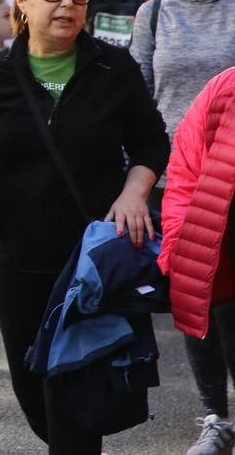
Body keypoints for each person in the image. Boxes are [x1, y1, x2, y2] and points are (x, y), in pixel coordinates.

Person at [0, 0, 168, 453]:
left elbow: (152, 141)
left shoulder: (113, 67)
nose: (67, 3)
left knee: (73, 403)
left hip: (90, 264)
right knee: (34, 396)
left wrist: (134, 193)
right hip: (17, 263)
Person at [130, 0, 235, 455]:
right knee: (199, 304)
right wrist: (136, 180)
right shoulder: (154, 13)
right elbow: (138, 99)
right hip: (183, 183)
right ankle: (215, 416)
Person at [161, 67, 235, 455]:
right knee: (209, 313)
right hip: (217, 230)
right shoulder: (225, 87)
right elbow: (187, 169)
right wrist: (179, 241)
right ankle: (217, 418)